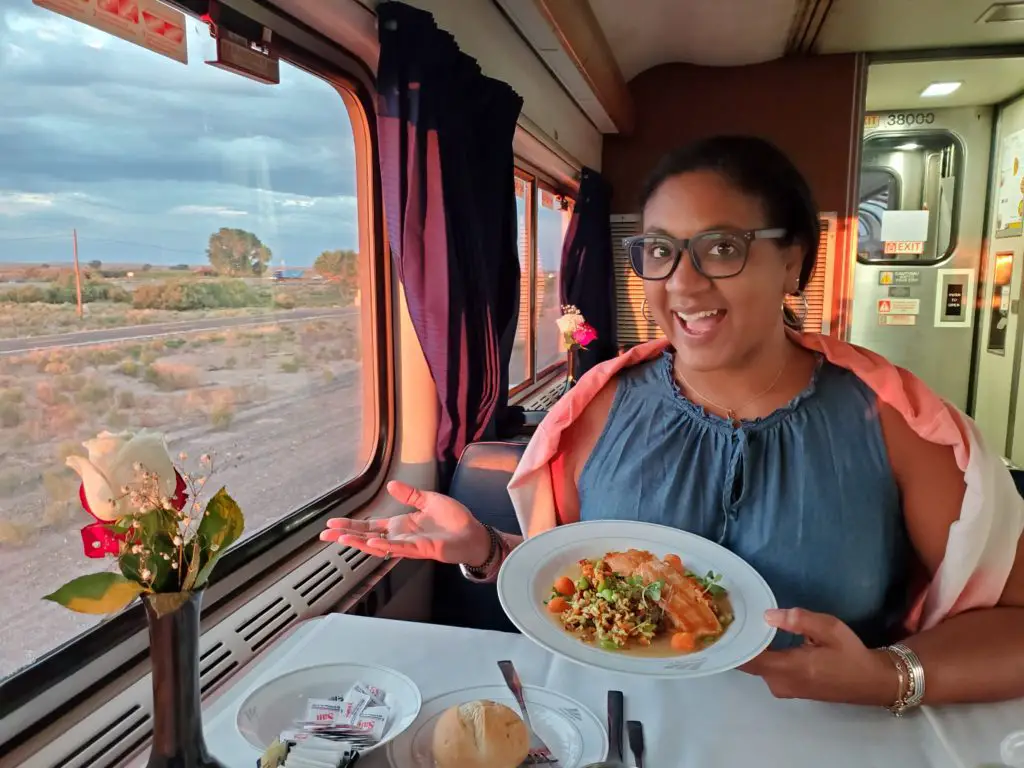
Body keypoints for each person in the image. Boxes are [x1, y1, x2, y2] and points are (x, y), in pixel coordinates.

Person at [322, 135, 1024, 709]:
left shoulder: (896, 422)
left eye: (722, 248)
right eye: (659, 251)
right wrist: (483, 550)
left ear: (792, 262)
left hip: (825, 738)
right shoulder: (596, 408)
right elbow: (588, 592)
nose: (682, 284)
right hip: (619, 729)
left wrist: (889, 677)